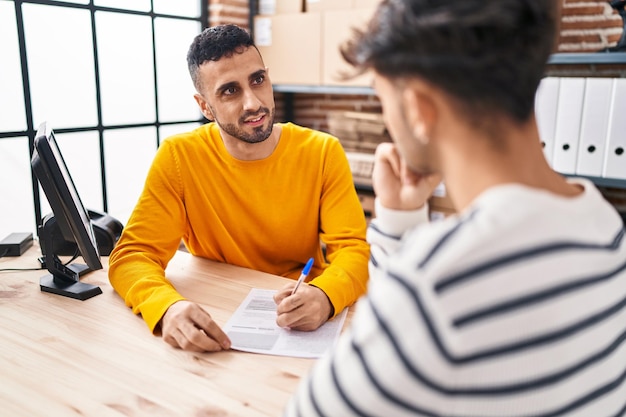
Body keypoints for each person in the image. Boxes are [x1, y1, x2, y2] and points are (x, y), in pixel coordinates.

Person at [284, 0, 626, 416]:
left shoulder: (436, 284)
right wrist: (399, 219)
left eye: (381, 99)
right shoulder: (605, 224)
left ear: (419, 109)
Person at [108, 24, 369, 353]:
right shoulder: (178, 157)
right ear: (204, 106)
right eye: (229, 91)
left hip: (301, 316)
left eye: (258, 80)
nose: (253, 103)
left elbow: (354, 252)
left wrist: (326, 295)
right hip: (217, 313)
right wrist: (166, 308)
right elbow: (132, 256)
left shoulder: (322, 152)